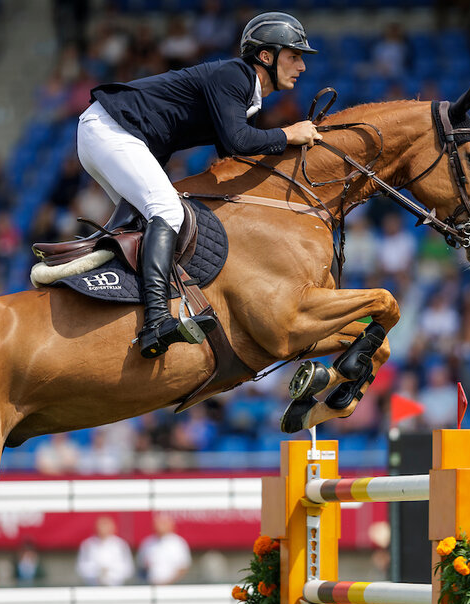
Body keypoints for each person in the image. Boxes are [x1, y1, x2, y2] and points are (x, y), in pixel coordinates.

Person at [78, 12, 321, 358]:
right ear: (266, 56)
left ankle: (115, 301)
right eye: (294, 56)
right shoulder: (235, 75)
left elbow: (235, 155)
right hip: (111, 129)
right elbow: (238, 141)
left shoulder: (246, 95)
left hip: (109, 132)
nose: (302, 66)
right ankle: (156, 321)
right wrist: (289, 133)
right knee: (166, 211)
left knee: (145, 223)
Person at [76, 516, 134, 586]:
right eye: (101, 526)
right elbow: (81, 568)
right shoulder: (87, 544)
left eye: (106, 526)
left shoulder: (120, 545)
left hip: (116, 587)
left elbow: (128, 569)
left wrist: (110, 573)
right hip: (93, 587)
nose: (103, 529)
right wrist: (98, 571)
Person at [137, 514, 191, 585]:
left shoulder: (178, 543)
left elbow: (183, 567)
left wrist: (168, 583)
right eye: (158, 524)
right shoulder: (147, 542)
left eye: (163, 524)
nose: (160, 527)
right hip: (152, 585)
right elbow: (142, 565)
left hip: (173, 586)